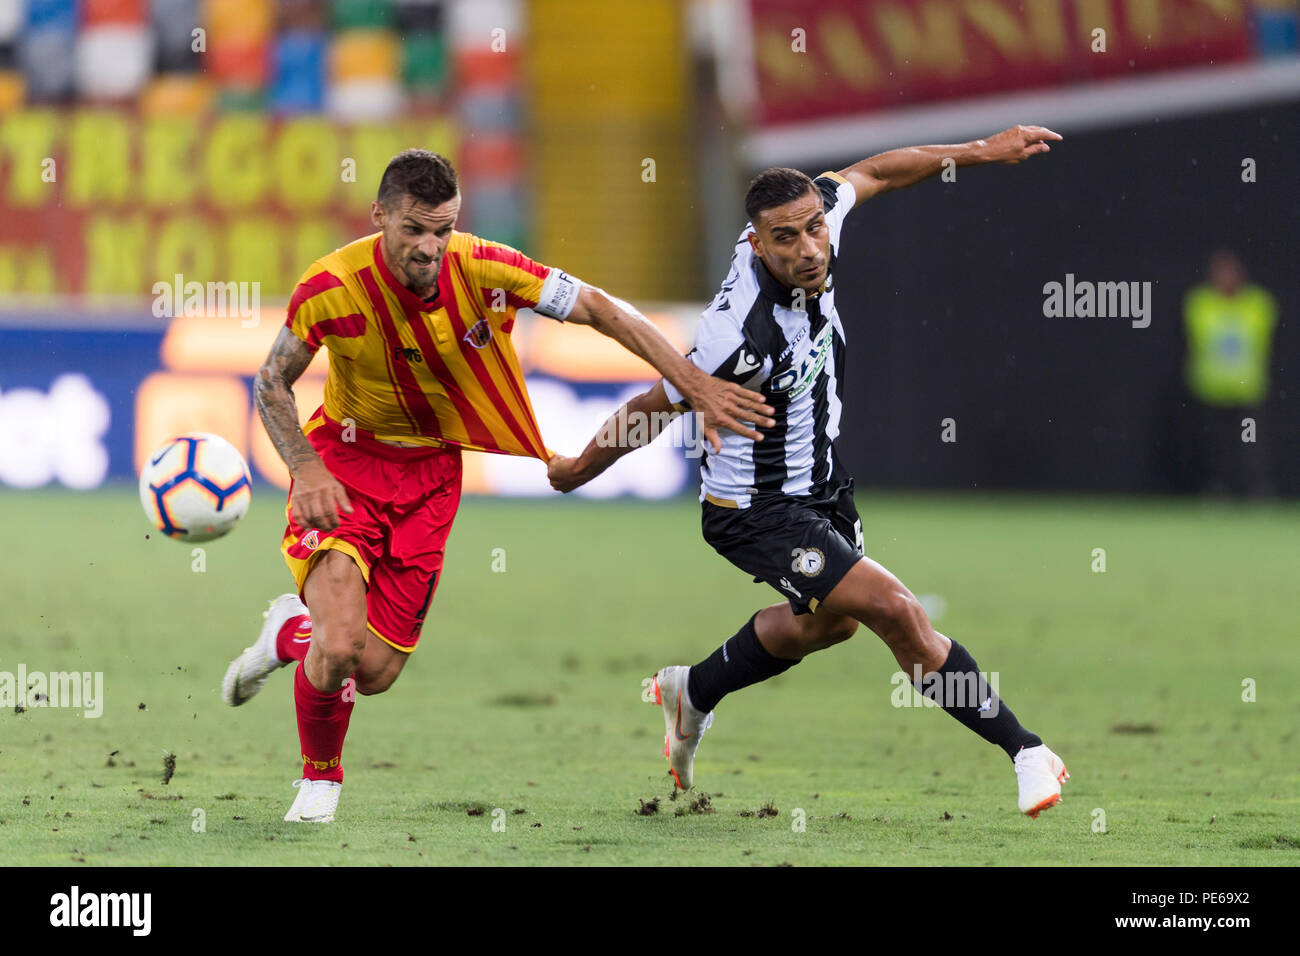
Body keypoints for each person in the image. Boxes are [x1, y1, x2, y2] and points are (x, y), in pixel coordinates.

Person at [220, 149, 774, 823]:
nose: (429, 248)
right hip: (346, 466)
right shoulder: (331, 286)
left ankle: (288, 633)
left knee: (374, 672)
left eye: (442, 230)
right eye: (413, 230)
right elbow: (271, 379)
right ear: (380, 217)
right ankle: (321, 782)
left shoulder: (485, 266)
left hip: (432, 477)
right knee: (339, 649)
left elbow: (601, 309)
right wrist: (305, 467)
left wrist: (696, 384)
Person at [548, 126, 1071, 817]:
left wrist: (983, 150)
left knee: (832, 625)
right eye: (786, 240)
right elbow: (654, 403)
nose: (808, 250)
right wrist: (575, 471)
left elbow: (880, 169)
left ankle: (693, 691)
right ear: (757, 244)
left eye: (814, 230)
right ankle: (1028, 751)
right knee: (896, 613)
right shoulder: (736, 335)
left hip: (821, 486)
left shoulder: (817, 221)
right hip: (753, 511)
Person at [1183, 249, 1277, 497]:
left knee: (1250, 444)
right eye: (1220, 273)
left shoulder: (1257, 303)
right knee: (1217, 447)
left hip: (1247, 392)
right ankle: (1219, 490)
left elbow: (1260, 338)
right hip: (1213, 391)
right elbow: (1200, 338)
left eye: (1230, 272)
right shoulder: (1201, 303)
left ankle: (1255, 490)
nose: (1226, 278)